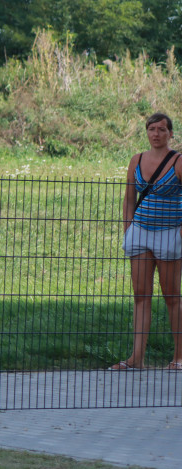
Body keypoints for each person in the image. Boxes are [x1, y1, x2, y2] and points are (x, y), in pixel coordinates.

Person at [110, 112, 182, 370]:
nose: (156, 134)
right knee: (141, 296)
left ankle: (179, 358)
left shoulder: (178, 162)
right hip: (140, 233)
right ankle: (136, 359)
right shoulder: (136, 160)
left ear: (170, 134)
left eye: (162, 129)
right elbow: (129, 198)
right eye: (152, 129)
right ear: (147, 132)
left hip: (168, 233)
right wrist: (128, 229)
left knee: (172, 296)